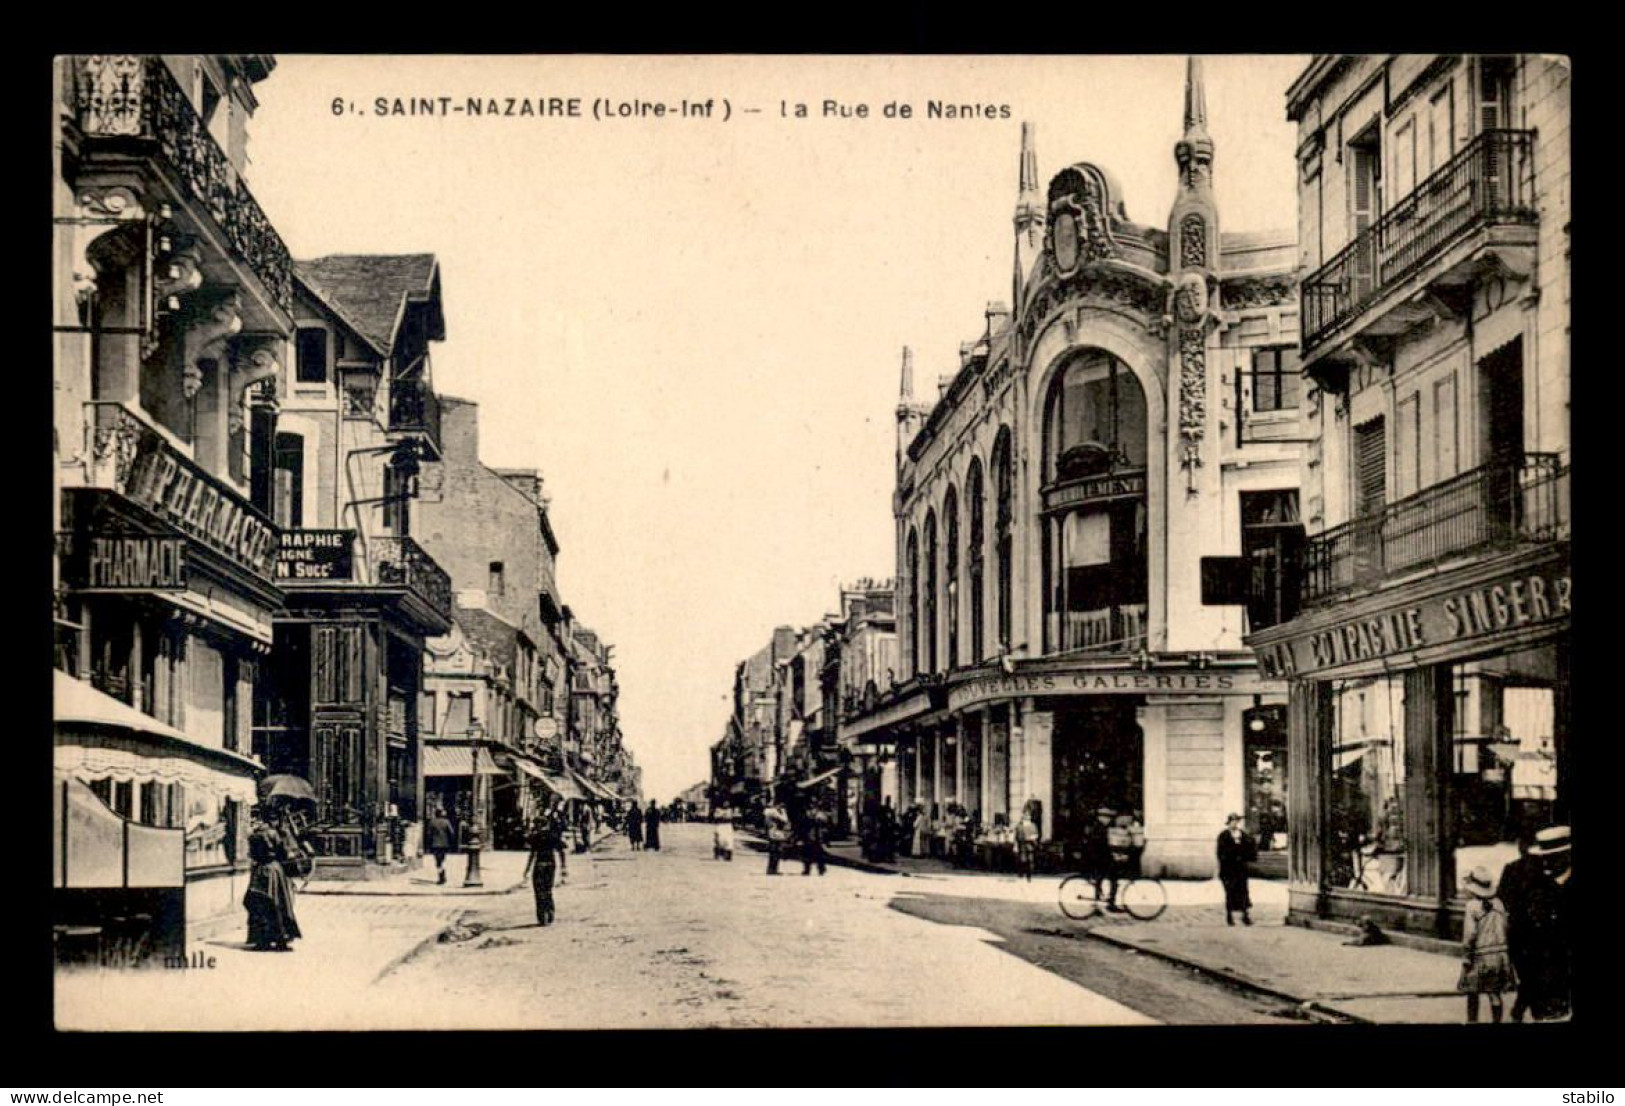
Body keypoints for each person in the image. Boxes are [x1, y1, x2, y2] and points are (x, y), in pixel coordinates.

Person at [1516, 825, 1573, 1021]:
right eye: (1545, 857)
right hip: (1546, 953)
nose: (1547, 862)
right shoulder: (1539, 882)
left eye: (1553, 856)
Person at [1458, 866, 1515, 1023]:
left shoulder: (1472, 906)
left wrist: (1466, 957)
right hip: (1500, 955)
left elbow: (1469, 935)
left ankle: (1472, 1022)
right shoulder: (1499, 904)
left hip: (1480, 956)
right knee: (1494, 993)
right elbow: (1506, 927)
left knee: (1472, 991)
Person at [1496, 830, 1542, 1022]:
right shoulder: (1543, 869)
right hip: (1539, 928)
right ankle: (1529, 1009)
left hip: (1517, 928)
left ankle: (1522, 1009)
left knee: (1525, 972)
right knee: (1535, 971)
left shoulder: (1511, 868)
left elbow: (1501, 897)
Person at [244, 808, 302, 951]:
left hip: (259, 871)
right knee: (279, 903)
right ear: (274, 819)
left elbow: (251, 854)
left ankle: (261, 940)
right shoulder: (274, 834)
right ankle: (280, 940)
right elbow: (285, 854)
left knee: (259, 903)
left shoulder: (254, 834)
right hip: (274, 871)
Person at [1216, 813, 1256, 925]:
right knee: (1229, 892)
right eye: (1233, 821)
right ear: (1229, 822)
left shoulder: (1243, 834)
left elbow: (1250, 848)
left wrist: (1246, 856)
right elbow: (1220, 853)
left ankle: (1245, 916)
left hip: (1241, 869)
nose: (1235, 823)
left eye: (1236, 821)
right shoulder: (1223, 835)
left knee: (1243, 892)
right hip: (1228, 870)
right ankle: (1229, 916)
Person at [521, 814, 560, 926]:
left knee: (539, 891)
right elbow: (561, 850)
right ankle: (550, 913)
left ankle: (542, 917)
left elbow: (532, 854)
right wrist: (563, 867)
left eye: (535, 824)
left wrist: (527, 869)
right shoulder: (552, 835)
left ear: (539, 824)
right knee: (548, 890)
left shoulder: (535, 837)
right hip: (551, 865)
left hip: (540, 865)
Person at [1083, 807, 1121, 910]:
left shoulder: (1099, 827)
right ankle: (1111, 903)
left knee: (1100, 878)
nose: (1109, 819)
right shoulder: (1099, 828)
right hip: (1099, 857)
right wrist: (1113, 854)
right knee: (1114, 877)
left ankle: (1097, 904)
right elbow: (1102, 845)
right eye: (1107, 817)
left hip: (1097, 857)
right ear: (1102, 817)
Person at [425, 806, 456, 885]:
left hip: (435, 844)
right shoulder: (446, 822)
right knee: (441, 860)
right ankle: (442, 876)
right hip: (444, 844)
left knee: (438, 861)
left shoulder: (432, 822)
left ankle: (441, 876)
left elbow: (429, 834)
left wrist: (429, 843)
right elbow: (451, 832)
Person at [764, 800, 791, 875]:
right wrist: (783, 812)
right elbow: (785, 820)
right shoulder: (773, 812)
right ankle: (772, 870)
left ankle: (772, 869)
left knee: (774, 851)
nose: (782, 807)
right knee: (776, 851)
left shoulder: (768, 811)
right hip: (775, 833)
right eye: (781, 805)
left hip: (773, 832)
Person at [1014, 805, 1040, 883]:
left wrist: (1034, 838)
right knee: (1022, 860)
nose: (1027, 817)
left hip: (1030, 844)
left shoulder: (1033, 825)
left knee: (1030, 860)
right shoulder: (1019, 826)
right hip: (1022, 844)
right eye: (1025, 815)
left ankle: (1029, 876)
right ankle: (1021, 873)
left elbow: (1036, 834)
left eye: (1028, 815)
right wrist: (1015, 845)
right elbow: (1016, 836)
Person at [802, 806, 829, 876]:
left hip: (816, 838)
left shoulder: (819, 816)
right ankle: (807, 870)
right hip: (809, 837)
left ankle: (821, 869)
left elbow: (824, 822)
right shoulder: (807, 816)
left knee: (818, 855)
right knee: (808, 855)